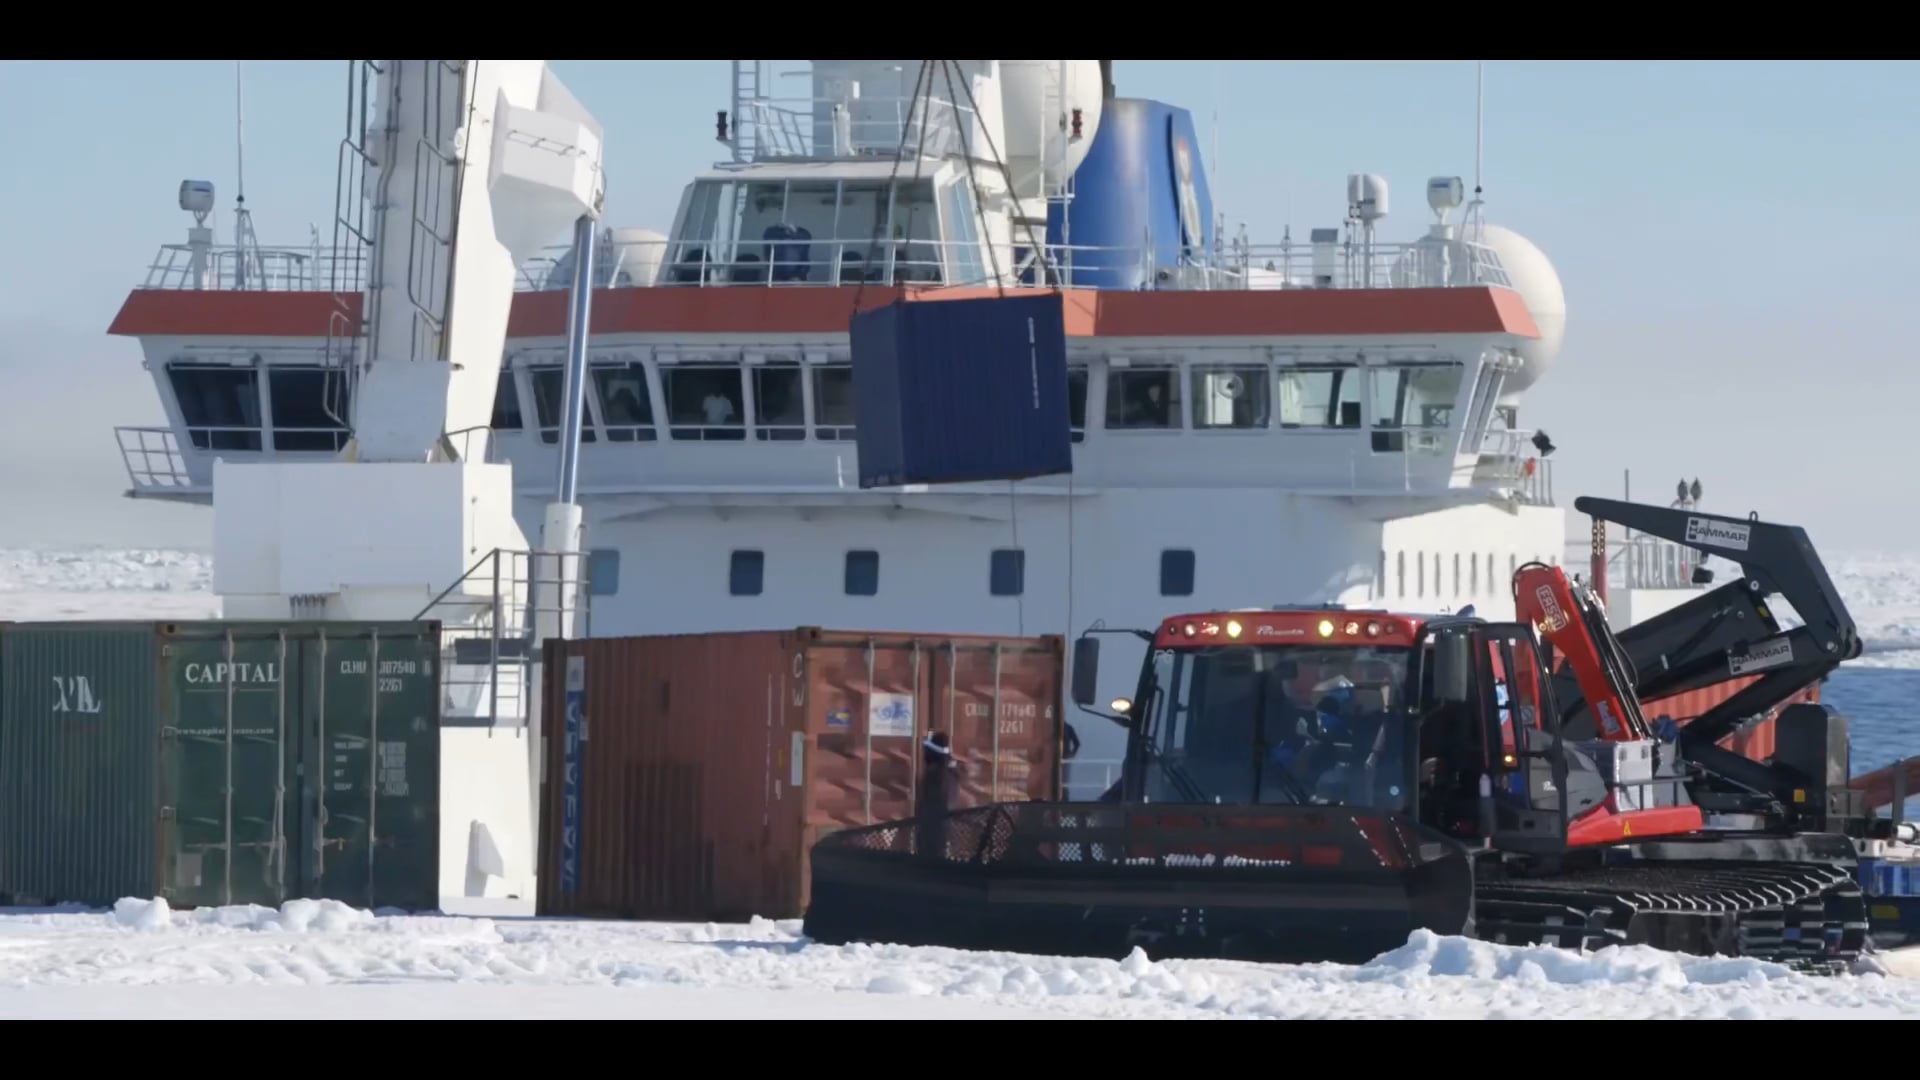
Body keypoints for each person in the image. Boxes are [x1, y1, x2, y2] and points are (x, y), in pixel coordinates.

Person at [915, 731, 963, 859]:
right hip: (937, 832)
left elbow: (937, 805)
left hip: (934, 834)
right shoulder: (949, 771)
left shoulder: (939, 775)